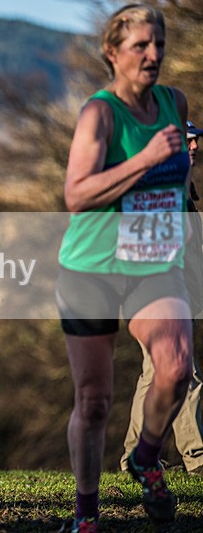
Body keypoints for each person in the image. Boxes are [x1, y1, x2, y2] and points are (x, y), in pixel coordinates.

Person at [56, 4, 192, 531]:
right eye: (141, 46)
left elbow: (176, 175)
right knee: (94, 400)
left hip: (153, 265)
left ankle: (144, 457)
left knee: (176, 367)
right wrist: (147, 158)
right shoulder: (100, 114)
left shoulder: (172, 102)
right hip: (90, 268)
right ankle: (85, 515)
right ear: (113, 53)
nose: (154, 55)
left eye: (158, 43)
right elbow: (76, 194)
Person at [121, 120, 203, 475]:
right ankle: (198, 458)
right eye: (187, 141)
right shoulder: (159, 188)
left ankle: (135, 459)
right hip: (157, 294)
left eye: (197, 140)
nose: (195, 146)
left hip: (177, 292)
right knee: (184, 372)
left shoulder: (183, 188)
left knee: (155, 374)